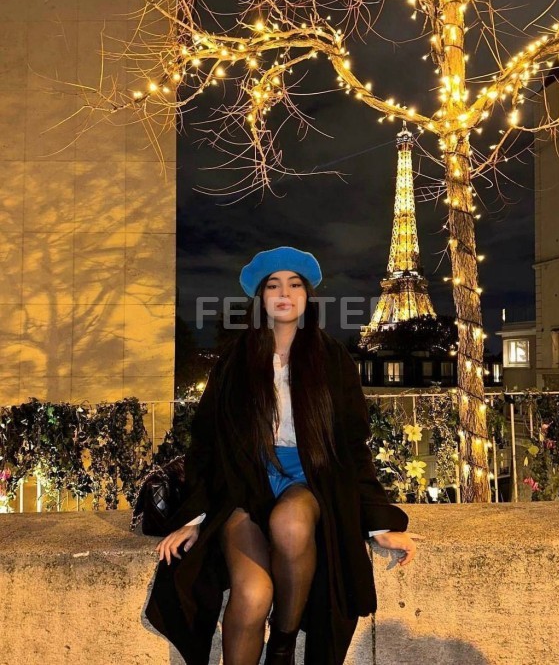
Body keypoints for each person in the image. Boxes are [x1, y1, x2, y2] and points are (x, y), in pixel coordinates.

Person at [145, 246, 424, 665]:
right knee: (253, 592)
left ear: (308, 296)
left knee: (291, 523)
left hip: (307, 480)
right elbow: (206, 441)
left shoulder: (333, 359)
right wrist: (194, 518)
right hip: (245, 484)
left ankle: (282, 645)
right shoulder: (235, 361)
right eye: (273, 285)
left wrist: (378, 524)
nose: (284, 293)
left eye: (295, 284)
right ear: (261, 298)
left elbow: (352, 445)